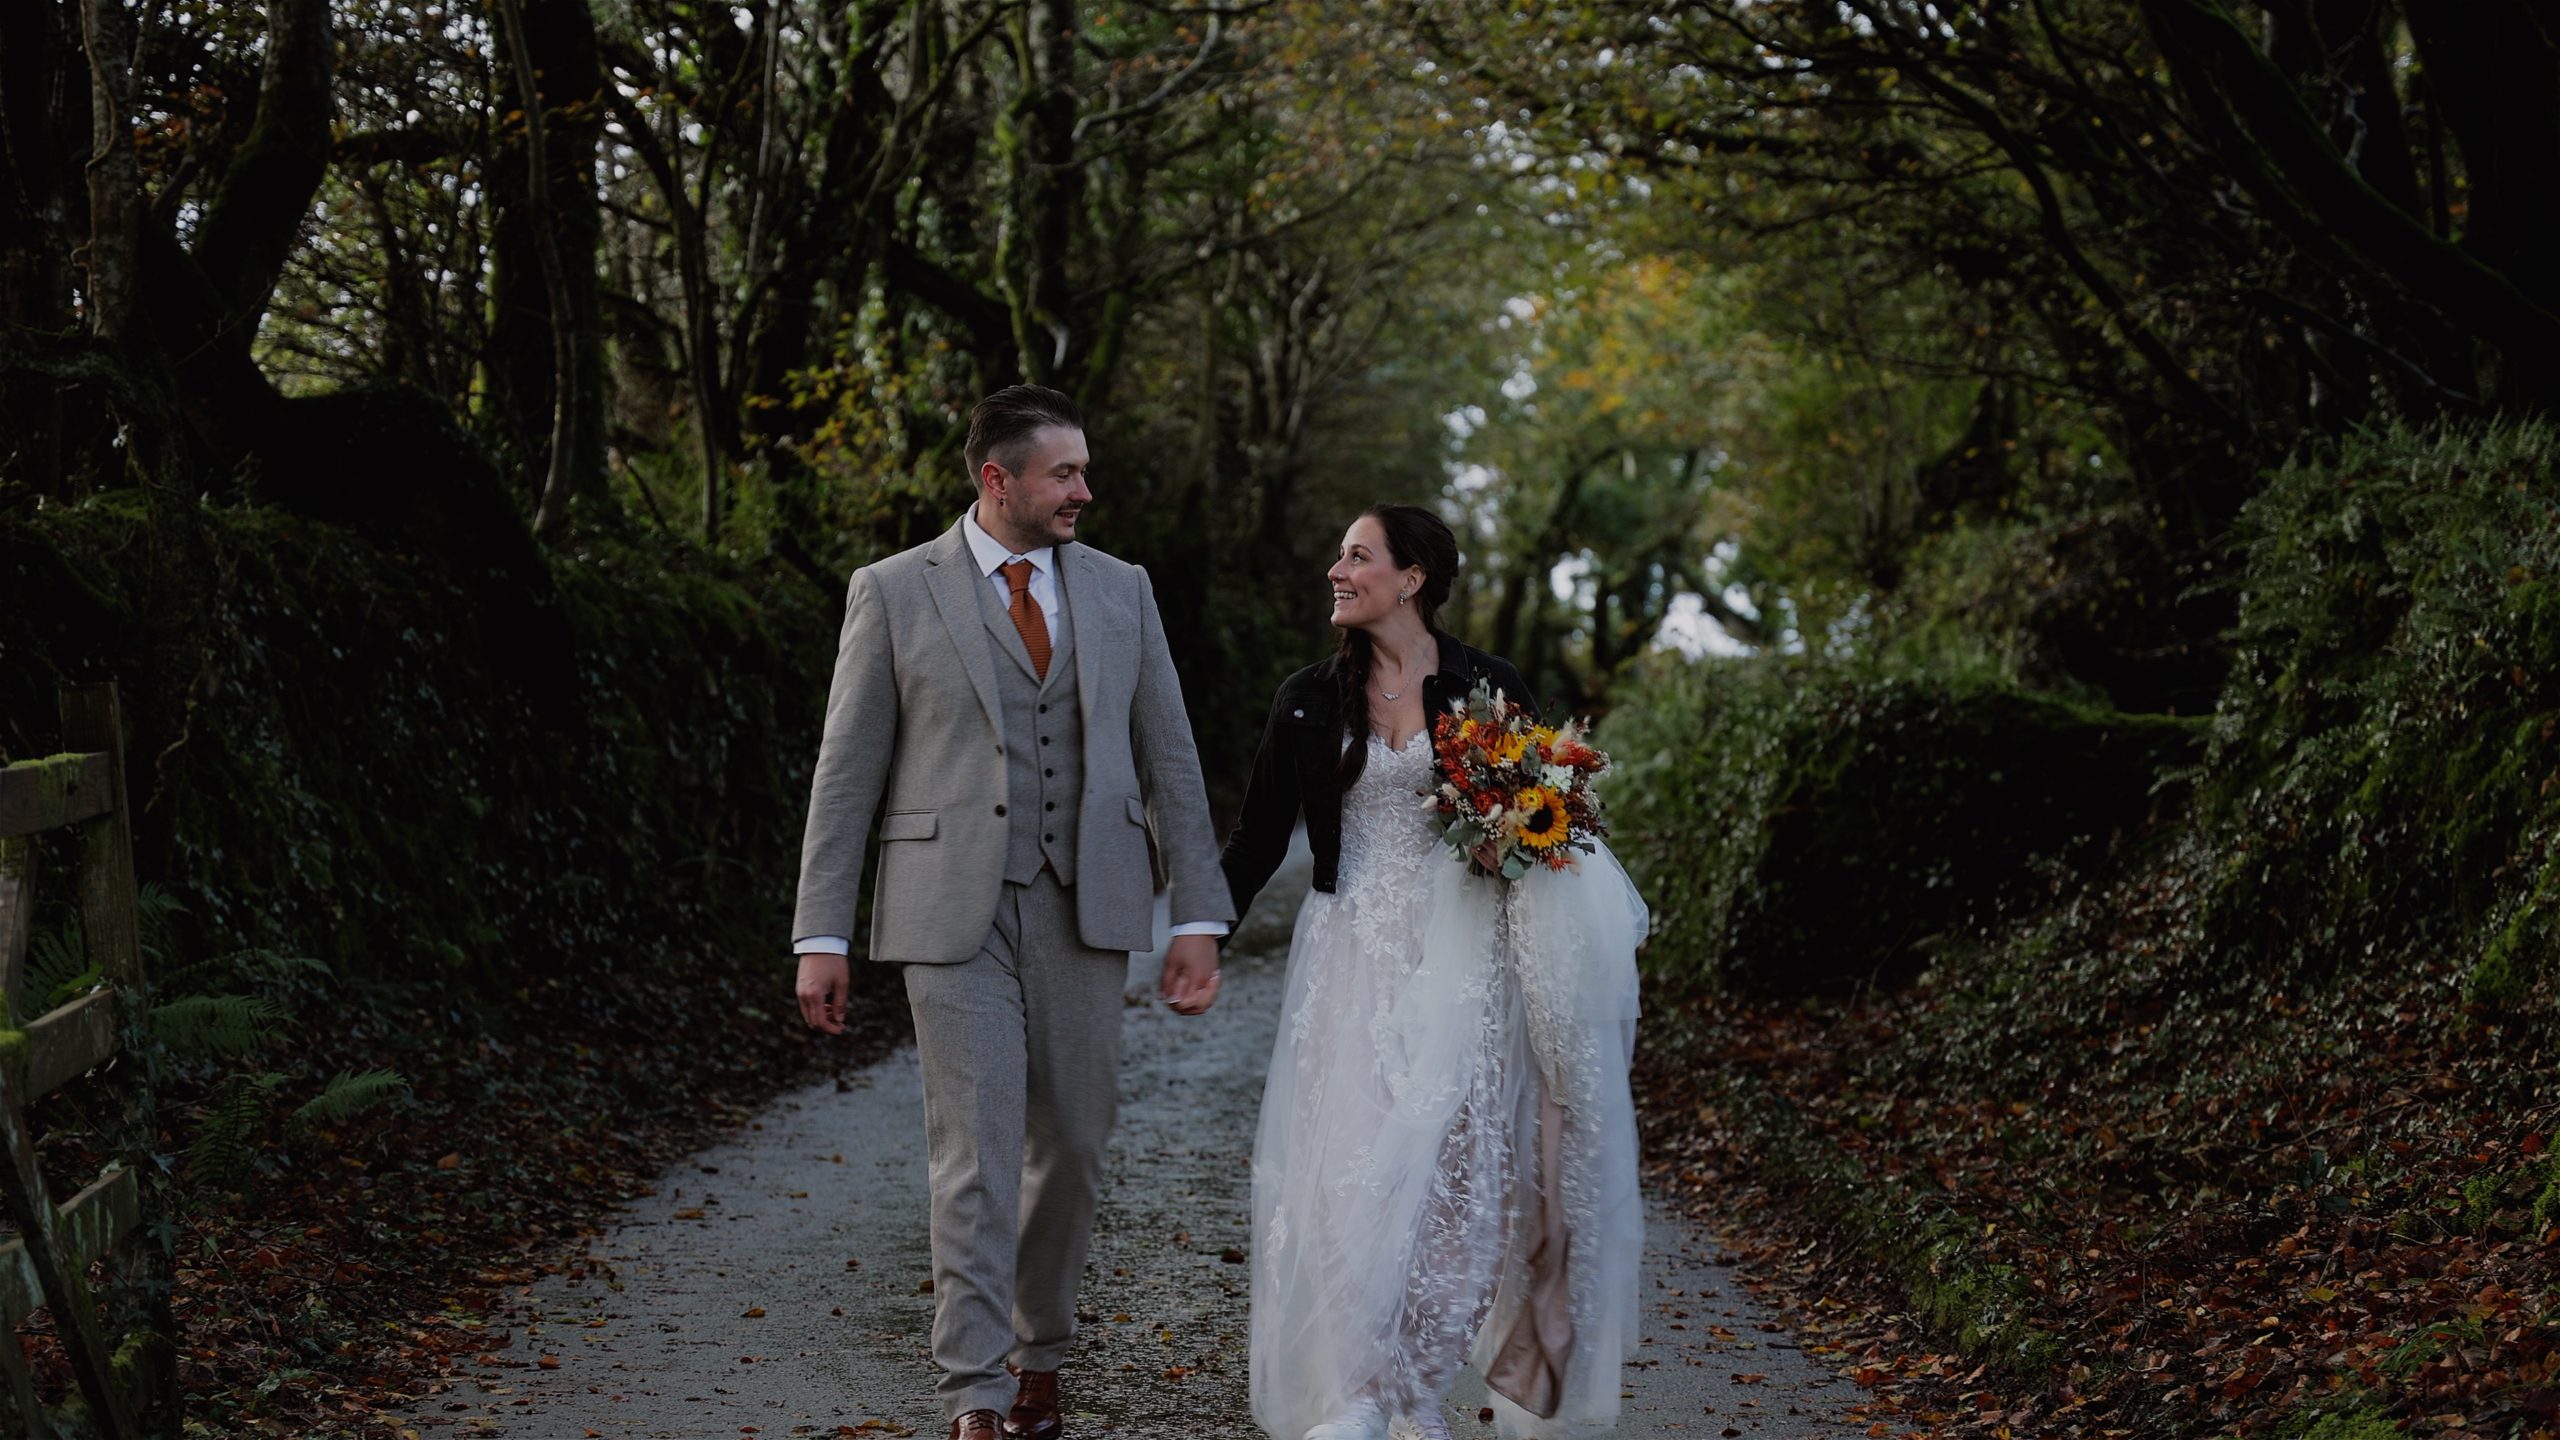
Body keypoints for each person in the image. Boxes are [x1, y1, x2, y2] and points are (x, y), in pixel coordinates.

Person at [790, 385, 1235, 1440]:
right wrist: (822, 932)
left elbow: (1171, 755)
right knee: (976, 1152)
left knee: (1072, 1144)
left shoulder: (1123, 590)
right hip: (950, 909)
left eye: (1083, 470)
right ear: (999, 481)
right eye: (1064, 473)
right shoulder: (895, 591)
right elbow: (846, 769)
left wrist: (1198, 914)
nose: (1085, 489)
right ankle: (977, 1389)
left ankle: (1043, 1348)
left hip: (1089, 899)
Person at [1221, 505, 1647, 1440]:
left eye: (1356, 555)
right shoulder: (1307, 697)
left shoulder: (1490, 687)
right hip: (1347, 958)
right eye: (1339, 553)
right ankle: (1356, 1395)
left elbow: (1553, 828)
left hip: (1465, 968)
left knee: (1460, 1178)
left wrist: (1514, 849)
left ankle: (1414, 1394)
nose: (1337, 569)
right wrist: (1198, 935)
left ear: (1410, 578)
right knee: (1347, 1177)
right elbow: (1256, 839)